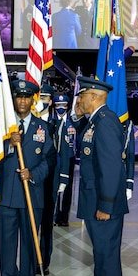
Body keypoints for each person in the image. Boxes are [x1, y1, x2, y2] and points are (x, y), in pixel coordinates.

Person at [74, 76, 128, 276]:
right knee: (102, 258)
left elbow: (110, 167)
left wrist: (106, 205)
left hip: (104, 205)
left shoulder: (105, 123)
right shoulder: (95, 122)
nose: (79, 99)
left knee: (106, 259)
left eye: (82, 95)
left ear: (94, 96)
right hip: (96, 200)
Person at [0, 79, 55, 276]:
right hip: (7, 195)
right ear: (14, 99)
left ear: (32, 100)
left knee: (30, 241)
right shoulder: (4, 128)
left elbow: (50, 159)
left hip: (32, 194)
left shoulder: (43, 128)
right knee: (7, 243)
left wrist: (33, 174)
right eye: (19, 96)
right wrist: (8, 145)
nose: (22, 101)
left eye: (26, 97)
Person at [37, 83, 59, 274]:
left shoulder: (56, 124)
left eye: (44, 98)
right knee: (30, 223)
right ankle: (31, 258)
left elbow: (62, 154)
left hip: (49, 180)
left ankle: (44, 261)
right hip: (31, 179)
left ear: (50, 101)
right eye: (38, 97)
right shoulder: (27, 123)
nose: (40, 101)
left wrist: (62, 179)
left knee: (46, 223)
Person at [53, 93, 77, 226]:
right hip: (55, 158)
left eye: (63, 105)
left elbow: (77, 141)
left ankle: (64, 217)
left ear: (68, 106)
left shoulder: (73, 121)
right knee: (54, 187)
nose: (60, 108)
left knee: (67, 188)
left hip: (69, 158)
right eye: (58, 105)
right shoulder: (51, 121)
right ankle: (55, 214)